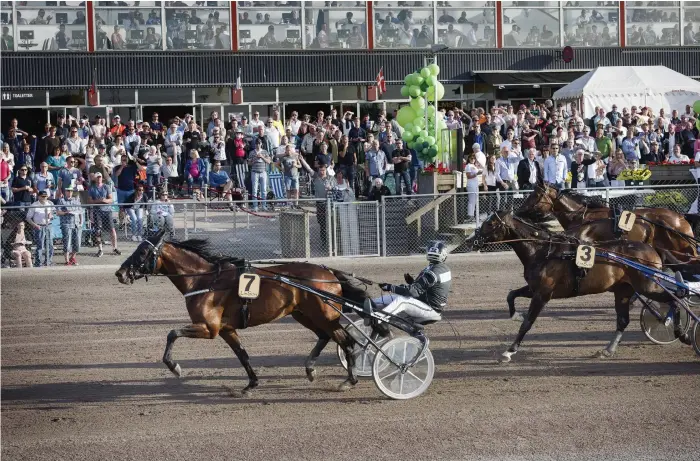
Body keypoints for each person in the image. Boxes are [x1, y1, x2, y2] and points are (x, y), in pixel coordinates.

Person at [373, 241, 452, 337]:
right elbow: (427, 288)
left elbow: (412, 292)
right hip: (426, 304)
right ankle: (371, 304)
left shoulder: (433, 271)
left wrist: (390, 287)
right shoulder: (441, 268)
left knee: (402, 301)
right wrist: (412, 282)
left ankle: (378, 318)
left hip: (430, 309)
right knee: (391, 299)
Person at [88, 172, 121, 258]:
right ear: (95, 178)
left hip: (107, 211)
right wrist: (100, 200)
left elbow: (111, 199)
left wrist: (104, 200)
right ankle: (100, 249)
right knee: (98, 230)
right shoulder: (92, 188)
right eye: (97, 177)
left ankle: (115, 248)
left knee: (112, 230)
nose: (99, 178)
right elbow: (90, 201)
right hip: (97, 211)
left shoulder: (106, 186)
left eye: (100, 177)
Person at [56, 185, 83, 265]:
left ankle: (73, 257)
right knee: (67, 242)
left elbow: (80, 212)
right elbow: (58, 212)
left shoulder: (76, 200)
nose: (70, 192)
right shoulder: (61, 201)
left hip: (76, 224)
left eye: (71, 191)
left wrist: (81, 222)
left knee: (77, 243)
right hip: (66, 224)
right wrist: (65, 213)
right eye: (68, 191)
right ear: (65, 192)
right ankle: (67, 261)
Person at [26, 189, 54, 266]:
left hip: (49, 225)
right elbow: (28, 218)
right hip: (39, 226)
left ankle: (48, 261)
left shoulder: (50, 203)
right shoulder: (34, 205)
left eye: (46, 196)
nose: (44, 198)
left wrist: (51, 216)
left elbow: (53, 214)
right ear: (39, 197)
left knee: (50, 245)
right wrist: (35, 225)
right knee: (40, 245)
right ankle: (38, 263)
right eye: (43, 196)